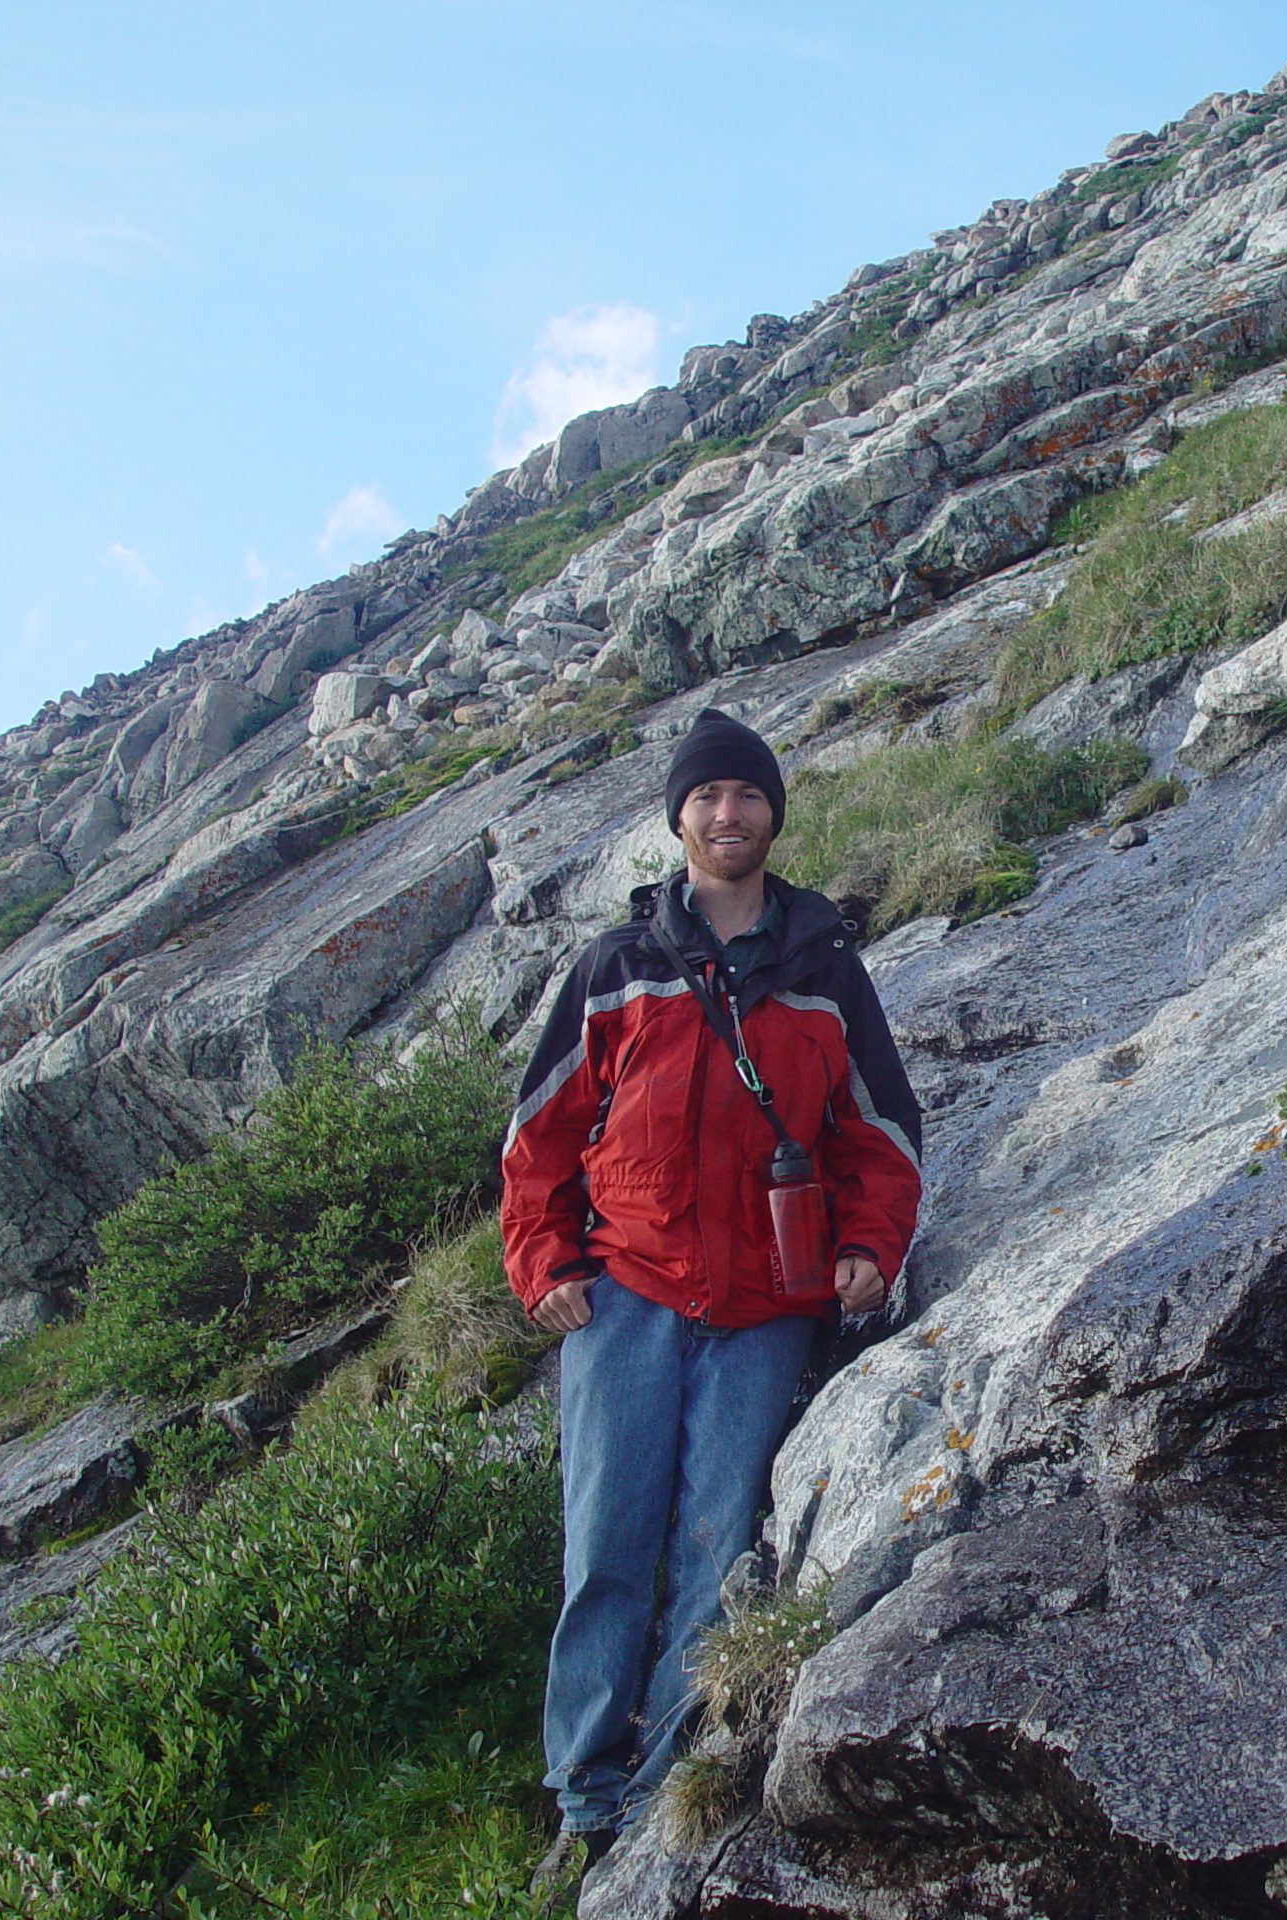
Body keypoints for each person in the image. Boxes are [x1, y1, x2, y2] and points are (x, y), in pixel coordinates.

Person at [501, 706, 922, 1870]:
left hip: (765, 1310)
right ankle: (584, 1793)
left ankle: (662, 1782)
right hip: (624, 1295)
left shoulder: (825, 964)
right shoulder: (614, 969)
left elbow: (882, 1131)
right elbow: (537, 1137)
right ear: (678, 818)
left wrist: (869, 1251)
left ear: (772, 814)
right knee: (604, 1546)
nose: (727, 815)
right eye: (707, 799)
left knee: (714, 1543)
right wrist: (543, 1263)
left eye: (746, 797)